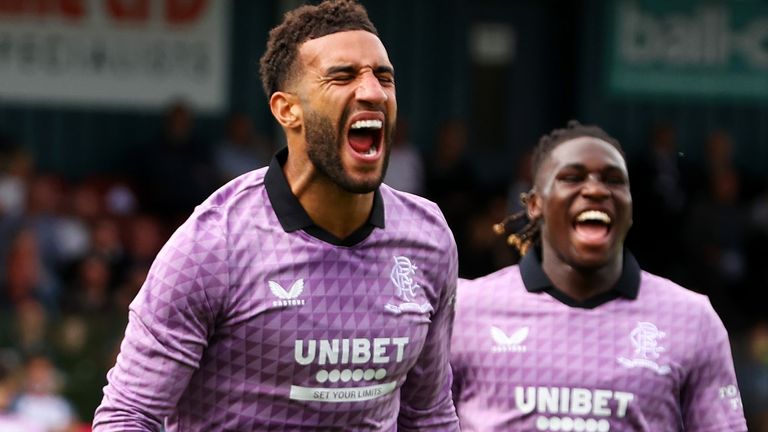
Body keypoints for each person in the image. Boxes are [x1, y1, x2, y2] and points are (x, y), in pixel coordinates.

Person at [93, 1, 460, 430]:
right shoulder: (213, 245)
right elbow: (129, 416)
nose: (373, 92)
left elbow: (428, 414)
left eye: (384, 77)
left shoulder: (428, 239)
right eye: (342, 76)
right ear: (287, 109)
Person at [450, 121, 747, 431]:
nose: (595, 190)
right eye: (572, 177)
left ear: (630, 208)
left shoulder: (692, 319)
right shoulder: (465, 310)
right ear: (536, 205)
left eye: (613, 180)